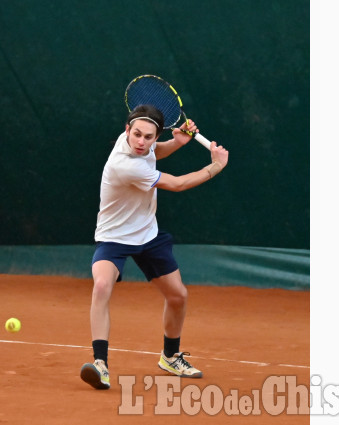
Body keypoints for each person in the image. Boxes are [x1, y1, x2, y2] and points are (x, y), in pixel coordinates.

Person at [80, 104, 229, 390]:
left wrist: (176, 143)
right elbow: (177, 184)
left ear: (154, 134)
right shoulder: (124, 164)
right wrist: (216, 165)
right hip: (114, 238)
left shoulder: (144, 146)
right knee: (101, 286)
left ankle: (170, 356)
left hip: (148, 234)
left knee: (178, 296)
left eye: (149, 136)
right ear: (127, 130)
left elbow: (154, 152)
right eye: (136, 134)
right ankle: (100, 365)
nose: (141, 142)